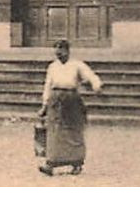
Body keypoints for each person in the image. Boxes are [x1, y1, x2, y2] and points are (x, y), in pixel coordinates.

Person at [39, 38, 102, 176]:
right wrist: (44, 105)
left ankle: (77, 163)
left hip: (71, 100)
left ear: (67, 51)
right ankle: (50, 164)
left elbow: (91, 77)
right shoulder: (52, 67)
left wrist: (96, 86)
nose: (59, 55)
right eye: (57, 52)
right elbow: (47, 86)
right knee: (54, 132)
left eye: (61, 51)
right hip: (55, 100)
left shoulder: (77, 65)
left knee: (73, 130)